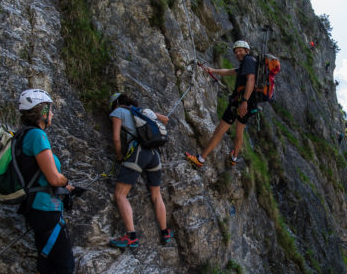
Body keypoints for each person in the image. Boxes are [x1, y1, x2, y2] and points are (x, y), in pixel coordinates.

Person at [17, 88, 87, 274]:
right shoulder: (37, 136)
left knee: (45, 261)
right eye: (50, 109)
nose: (53, 114)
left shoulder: (23, 135)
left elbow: (42, 178)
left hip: (36, 208)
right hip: (47, 211)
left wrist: (66, 188)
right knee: (65, 265)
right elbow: (52, 177)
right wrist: (65, 180)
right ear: (42, 112)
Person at [107, 93, 173, 249]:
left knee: (120, 194)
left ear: (116, 104)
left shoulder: (118, 112)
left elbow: (116, 139)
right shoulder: (144, 112)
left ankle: (131, 236)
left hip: (138, 152)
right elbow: (165, 119)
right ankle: (165, 232)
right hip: (154, 154)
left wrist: (119, 156)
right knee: (156, 195)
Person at [185, 40, 257, 168]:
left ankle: (200, 159)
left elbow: (251, 79)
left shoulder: (248, 60)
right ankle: (234, 157)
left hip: (240, 102)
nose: (237, 53)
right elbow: (229, 71)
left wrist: (244, 101)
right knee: (239, 132)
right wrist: (213, 70)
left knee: (219, 131)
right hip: (249, 104)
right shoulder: (249, 63)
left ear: (247, 50)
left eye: (240, 50)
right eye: (236, 52)